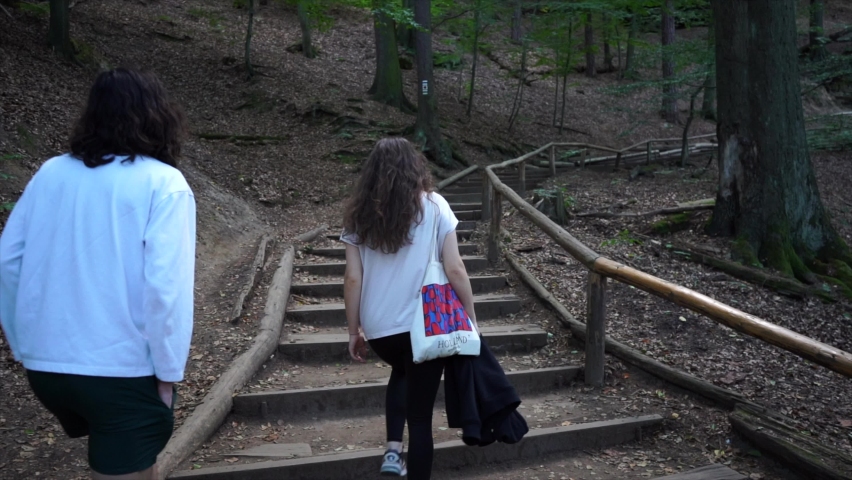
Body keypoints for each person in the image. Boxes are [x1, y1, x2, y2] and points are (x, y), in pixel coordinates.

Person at [0, 68, 196, 480]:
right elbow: (165, 289)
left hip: (46, 369)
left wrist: (24, 345)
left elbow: (8, 261)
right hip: (118, 372)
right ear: (158, 115)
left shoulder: (51, 172)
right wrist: (169, 374)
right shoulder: (164, 183)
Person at [342, 137, 477, 479]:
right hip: (427, 326)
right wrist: (470, 319)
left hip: (381, 330)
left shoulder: (359, 214)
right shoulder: (435, 206)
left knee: (401, 371)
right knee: (420, 419)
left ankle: (392, 452)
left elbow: (353, 278)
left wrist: (353, 330)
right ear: (415, 166)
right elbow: (456, 268)